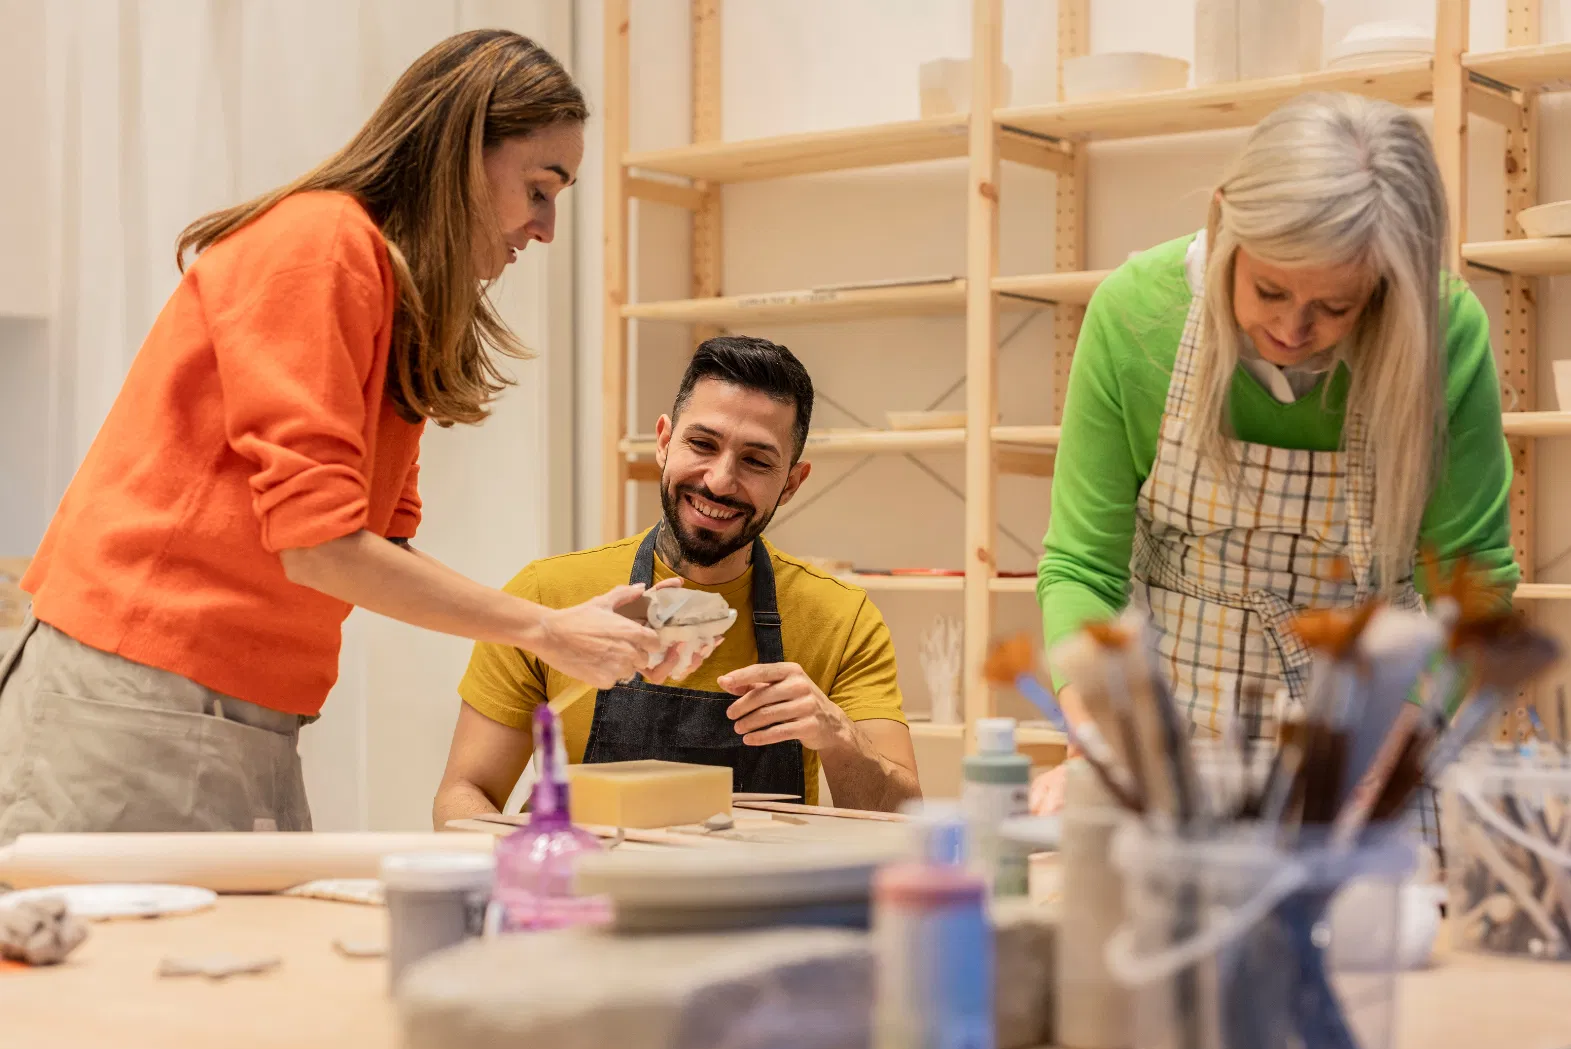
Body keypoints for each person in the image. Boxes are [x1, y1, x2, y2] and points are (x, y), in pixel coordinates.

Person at [0, 31, 688, 844]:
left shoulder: (398, 298)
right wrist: (542, 630)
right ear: (464, 153)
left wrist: (568, 624)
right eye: (539, 189)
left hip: (238, 712)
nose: (543, 229)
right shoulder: (321, 243)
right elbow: (317, 547)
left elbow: (373, 551)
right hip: (139, 695)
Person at [1033, 92, 1517, 813]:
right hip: (1174, 743)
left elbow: (1470, 587)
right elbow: (1082, 566)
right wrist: (1094, 721)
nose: (1293, 327)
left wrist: (1392, 748)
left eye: (1338, 306)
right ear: (1225, 219)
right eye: (1269, 288)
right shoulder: (1137, 317)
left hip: (1373, 740)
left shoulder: (1442, 336)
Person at [435, 335, 921, 821]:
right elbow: (464, 795)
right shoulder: (547, 595)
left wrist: (838, 736)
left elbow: (903, 822)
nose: (719, 480)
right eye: (702, 444)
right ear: (665, 442)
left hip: (757, 896)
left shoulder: (841, 619)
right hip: (588, 891)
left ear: (792, 482)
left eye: (756, 460)